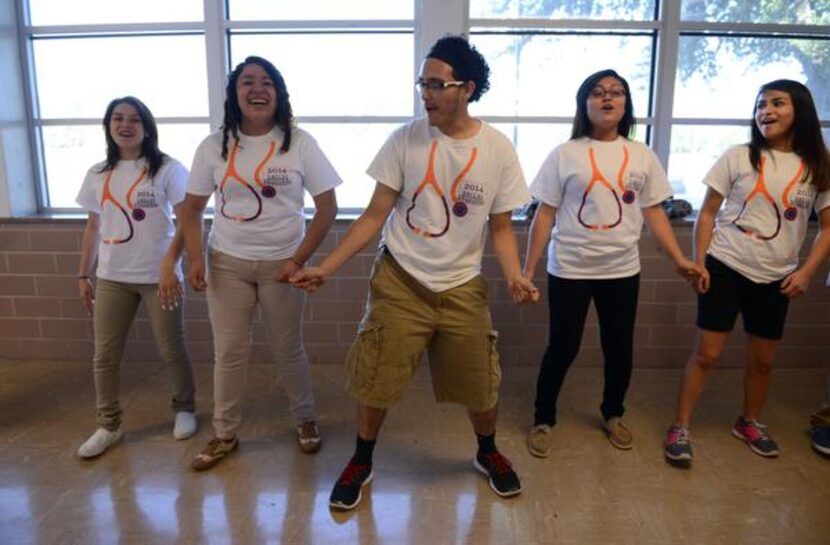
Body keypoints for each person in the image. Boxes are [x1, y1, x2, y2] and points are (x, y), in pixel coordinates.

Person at [291, 35, 538, 511]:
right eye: (422, 83)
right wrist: (326, 266)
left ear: (465, 88)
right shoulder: (405, 139)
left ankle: (487, 452)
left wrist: (514, 275)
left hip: (462, 285)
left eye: (435, 83)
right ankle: (363, 458)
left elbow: (502, 228)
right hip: (401, 280)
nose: (425, 93)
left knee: (480, 379)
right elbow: (373, 214)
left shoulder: (497, 149)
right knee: (377, 375)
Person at [160, 56, 341, 471]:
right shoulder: (213, 146)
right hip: (228, 263)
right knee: (229, 353)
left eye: (266, 83)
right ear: (234, 93)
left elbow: (327, 207)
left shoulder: (299, 143)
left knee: (288, 349)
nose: (257, 89)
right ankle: (224, 434)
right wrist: (194, 257)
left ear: (278, 94)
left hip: (284, 265)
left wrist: (298, 261)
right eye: (247, 82)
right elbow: (191, 208)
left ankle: (305, 420)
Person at [523, 69, 703, 457]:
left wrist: (679, 258)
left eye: (616, 92)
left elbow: (654, 211)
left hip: (621, 269)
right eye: (598, 92)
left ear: (625, 104)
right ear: (585, 103)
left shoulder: (641, 154)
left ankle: (613, 413)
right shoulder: (565, 153)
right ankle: (543, 418)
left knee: (619, 347)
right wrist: (527, 270)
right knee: (563, 346)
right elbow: (545, 215)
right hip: (570, 267)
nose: (608, 98)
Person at [665, 79, 830, 463]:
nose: (765, 111)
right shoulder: (739, 156)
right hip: (726, 265)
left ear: (800, 110)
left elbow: (827, 227)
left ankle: (750, 421)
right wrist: (701, 261)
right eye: (760, 105)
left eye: (777, 103)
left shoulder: (817, 166)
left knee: (763, 360)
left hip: (777, 275)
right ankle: (680, 427)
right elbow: (706, 213)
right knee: (707, 354)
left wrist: (806, 272)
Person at [75, 96, 197, 458]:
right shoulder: (98, 173)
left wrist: (172, 266)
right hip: (113, 277)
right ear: (109, 126)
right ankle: (108, 425)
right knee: (104, 355)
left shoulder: (167, 170)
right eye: (117, 119)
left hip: (159, 277)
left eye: (133, 119)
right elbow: (93, 226)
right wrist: (84, 274)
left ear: (146, 128)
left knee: (171, 348)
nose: (125, 125)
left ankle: (185, 409)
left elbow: (187, 218)